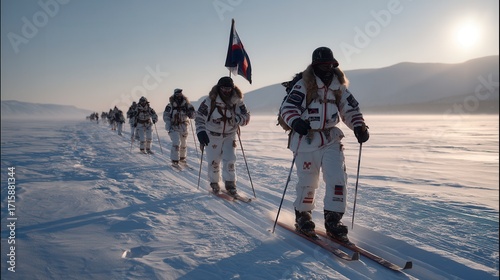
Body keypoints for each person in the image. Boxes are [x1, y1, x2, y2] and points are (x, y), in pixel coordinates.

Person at [279, 47, 369, 243]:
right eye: (322, 65)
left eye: (330, 64)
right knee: (308, 182)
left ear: (334, 64)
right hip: (306, 140)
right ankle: (303, 216)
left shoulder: (340, 87)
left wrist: (359, 126)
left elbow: (351, 109)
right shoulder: (304, 85)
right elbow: (288, 107)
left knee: (338, 180)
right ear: (315, 66)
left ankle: (333, 220)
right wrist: (296, 121)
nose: (327, 68)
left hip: (330, 139)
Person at [195, 76, 250, 195]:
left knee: (230, 160)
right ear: (219, 88)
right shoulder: (210, 101)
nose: (226, 91)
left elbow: (246, 116)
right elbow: (199, 117)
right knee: (214, 161)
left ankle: (230, 183)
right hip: (212, 135)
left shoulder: (237, 101)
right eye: (224, 88)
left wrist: (238, 119)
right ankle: (214, 182)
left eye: (229, 88)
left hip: (230, 135)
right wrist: (201, 131)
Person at [163, 88, 196, 167]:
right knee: (176, 143)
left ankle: (182, 159)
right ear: (174, 94)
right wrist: (168, 123)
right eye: (177, 93)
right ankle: (174, 160)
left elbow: (193, 114)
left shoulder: (187, 104)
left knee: (184, 144)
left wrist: (191, 114)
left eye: (180, 93)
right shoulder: (170, 105)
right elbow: (166, 115)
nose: (179, 95)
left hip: (184, 126)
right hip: (174, 126)